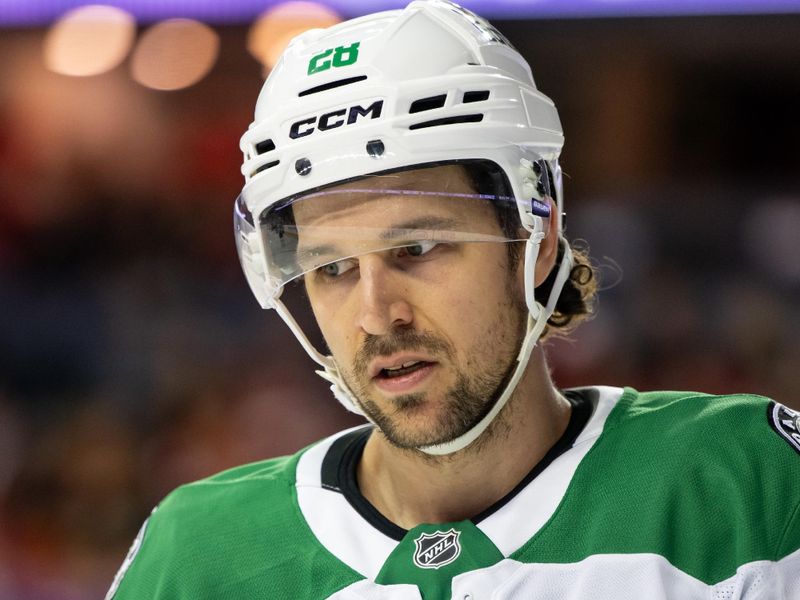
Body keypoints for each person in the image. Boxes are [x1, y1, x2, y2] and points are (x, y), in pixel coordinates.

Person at [107, 1, 800, 598]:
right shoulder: (197, 556)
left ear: (538, 235)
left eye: (418, 249)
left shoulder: (746, 487)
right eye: (333, 268)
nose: (377, 314)